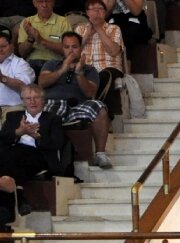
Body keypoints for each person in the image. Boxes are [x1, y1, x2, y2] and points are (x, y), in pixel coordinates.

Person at [39, 30, 113, 168]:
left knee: (100, 108)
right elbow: (42, 83)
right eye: (67, 47)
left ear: (81, 48)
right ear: (62, 49)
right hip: (53, 104)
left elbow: (90, 92)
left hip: (77, 106)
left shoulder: (90, 70)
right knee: (45, 114)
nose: (71, 51)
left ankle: (100, 155)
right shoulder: (51, 64)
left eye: (74, 47)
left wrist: (79, 73)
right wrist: (63, 69)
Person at [0, 83, 65, 218]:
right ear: (23, 101)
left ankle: (13, 203)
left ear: (43, 101)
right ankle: (16, 200)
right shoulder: (13, 116)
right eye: (28, 98)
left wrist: (37, 137)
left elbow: (57, 143)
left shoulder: (53, 118)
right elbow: (3, 138)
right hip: (14, 155)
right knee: (12, 156)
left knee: (14, 156)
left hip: (39, 155)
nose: (32, 101)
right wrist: (19, 132)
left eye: (36, 98)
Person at [74, 0, 124, 118]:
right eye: (93, 9)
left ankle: (97, 113)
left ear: (105, 13)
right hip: (86, 70)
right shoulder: (80, 30)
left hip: (109, 68)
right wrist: (87, 35)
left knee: (106, 75)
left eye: (100, 9)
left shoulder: (114, 28)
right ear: (87, 13)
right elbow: (73, 53)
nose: (97, 12)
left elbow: (114, 51)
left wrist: (99, 29)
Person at [17, 0, 71, 78]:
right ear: (34, 3)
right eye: (40, 1)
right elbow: (22, 53)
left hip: (54, 63)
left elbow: (67, 50)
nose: (44, 5)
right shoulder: (27, 22)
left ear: (53, 2)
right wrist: (30, 38)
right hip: (32, 63)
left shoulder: (63, 22)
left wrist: (41, 40)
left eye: (48, 1)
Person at [0, 29, 35, 120]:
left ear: (11, 46)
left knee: (12, 124)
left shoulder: (20, 64)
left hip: (12, 107)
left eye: (3, 46)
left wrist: (2, 78)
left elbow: (24, 87)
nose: (0, 50)